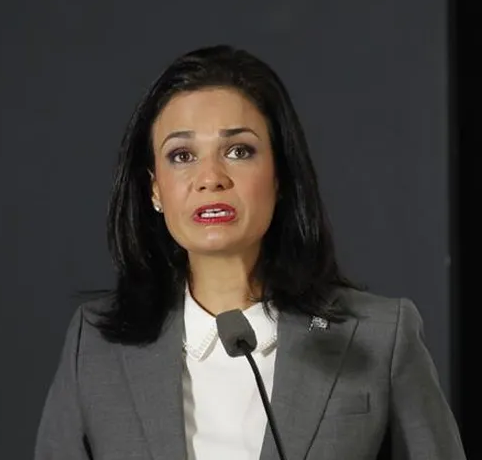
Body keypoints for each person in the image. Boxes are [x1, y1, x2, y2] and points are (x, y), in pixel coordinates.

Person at [33, 45, 465, 460]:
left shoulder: (380, 336)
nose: (210, 178)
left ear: (280, 176)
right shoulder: (94, 347)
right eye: (182, 155)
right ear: (155, 190)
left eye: (238, 151)